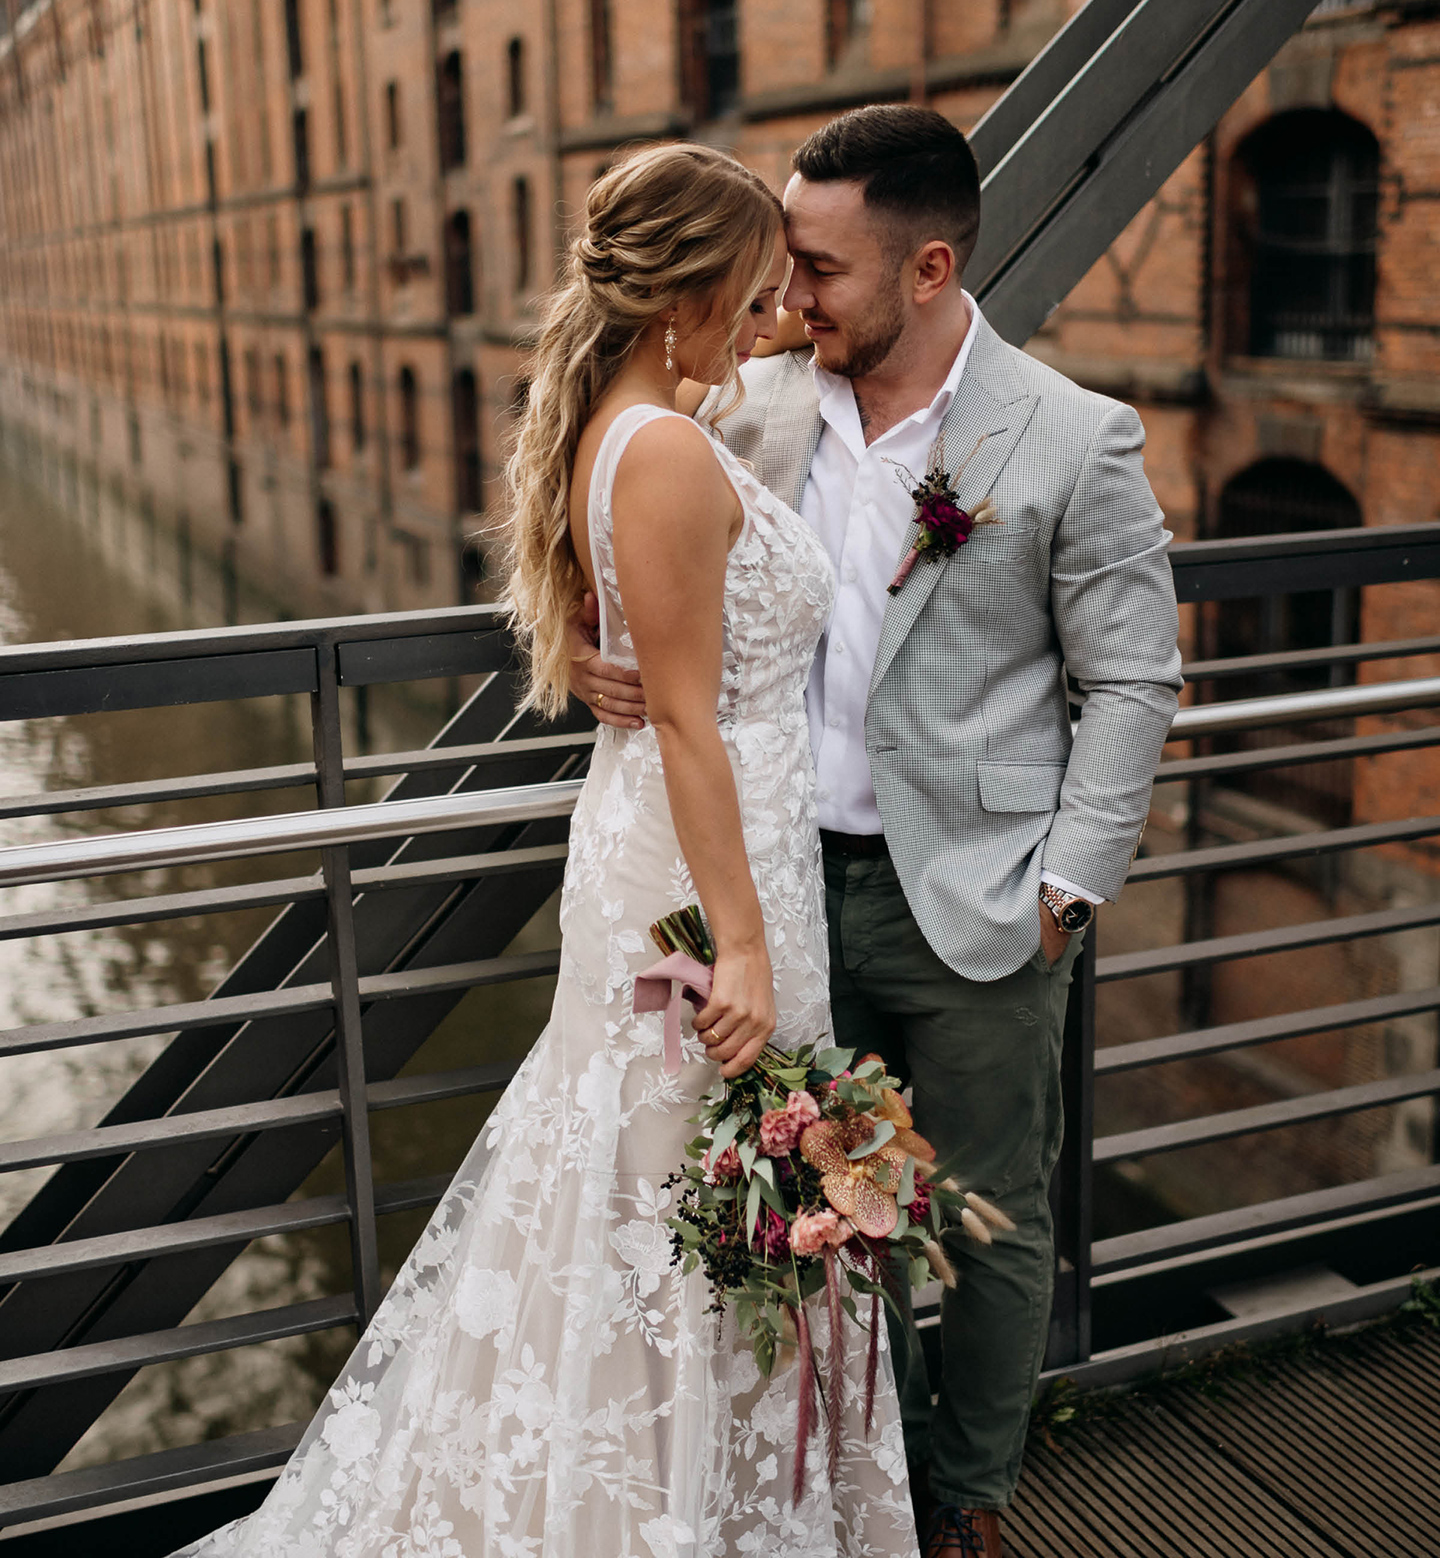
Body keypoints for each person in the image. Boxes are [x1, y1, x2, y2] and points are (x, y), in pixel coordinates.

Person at [171, 142, 918, 1558]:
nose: (772, 321)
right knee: (674, 1179)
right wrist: (746, 945)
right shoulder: (665, 454)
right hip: (705, 870)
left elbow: (650, 631)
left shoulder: (637, 428)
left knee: (662, 1182)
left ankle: (672, 1493)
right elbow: (691, 723)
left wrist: (589, 645)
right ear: (676, 302)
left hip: (708, 839)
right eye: (754, 296)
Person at [573, 106, 1184, 1558]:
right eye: (782, 265)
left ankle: (967, 1503)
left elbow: (1136, 680)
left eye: (820, 270)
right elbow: (617, 536)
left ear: (925, 269)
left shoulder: (1070, 436)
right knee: (813, 1226)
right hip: (779, 900)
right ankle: (872, 1493)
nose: (787, 297)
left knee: (985, 1225)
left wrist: (1068, 892)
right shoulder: (746, 407)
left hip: (978, 903)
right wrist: (589, 662)